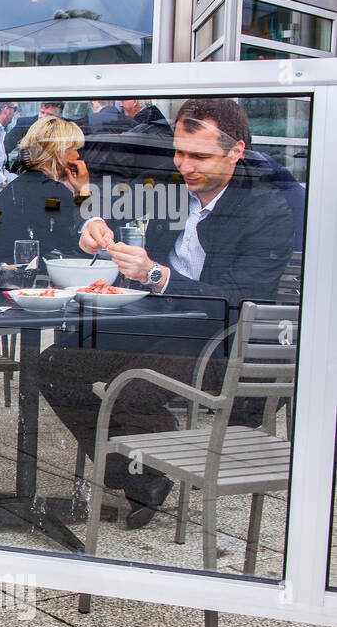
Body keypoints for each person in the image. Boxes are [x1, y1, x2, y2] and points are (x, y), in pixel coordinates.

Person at [40, 98, 294, 528]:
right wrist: (92, 229)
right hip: (160, 326)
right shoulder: (171, 189)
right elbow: (114, 220)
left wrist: (158, 276)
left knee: (134, 388)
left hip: (223, 342)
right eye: (178, 152)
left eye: (200, 155)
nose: (185, 165)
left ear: (238, 152)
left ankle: (147, 474)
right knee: (53, 363)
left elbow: (239, 300)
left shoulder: (266, 209)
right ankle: (140, 475)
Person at [0, 117, 93, 262]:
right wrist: (83, 190)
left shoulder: (13, 188)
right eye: (74, 149)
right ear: (58, 153)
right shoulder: (56, 194)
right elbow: (79, 248)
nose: (78, 155)